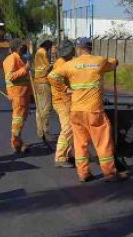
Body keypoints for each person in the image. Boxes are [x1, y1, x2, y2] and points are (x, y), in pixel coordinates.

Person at [50, 37, 126, 182]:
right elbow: (113, 63)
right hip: (94, 111)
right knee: (103, 142)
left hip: (76, 111)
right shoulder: (99, 61)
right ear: (90, 48)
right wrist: (115, 61)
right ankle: (110, 174)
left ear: (78, 49)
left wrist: (65, 89)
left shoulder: (70, 64)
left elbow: (52, 76)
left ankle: (84, 173)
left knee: (80, 143)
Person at [47, 42, 75, 168]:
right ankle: (60, 157)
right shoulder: (62, 64)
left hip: (64, 100)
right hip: (61, 101)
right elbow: (51, 77)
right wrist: (65, 89)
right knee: (68, 127)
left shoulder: (62, 62)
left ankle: (68, 154)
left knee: (72, 128)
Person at [2, 40, 32, 153]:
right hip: (17, 94)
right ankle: (15, 142)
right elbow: (10, 76)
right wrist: (25, 69)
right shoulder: (12, 59)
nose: (24, 49)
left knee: (21, 119)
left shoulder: (19, 58)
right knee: (18, 119)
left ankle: (18, 140)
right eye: (22, 47)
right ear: (17, 48)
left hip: (23, 93)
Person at [32, 40, 54, 142]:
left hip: (38, 83)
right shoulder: (43, 52)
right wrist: (54, 64)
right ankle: (45, 131)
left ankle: (40, 131)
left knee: (40, 108)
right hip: (44, 83)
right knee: (46, 108)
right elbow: (47, 67)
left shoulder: (38, 52)